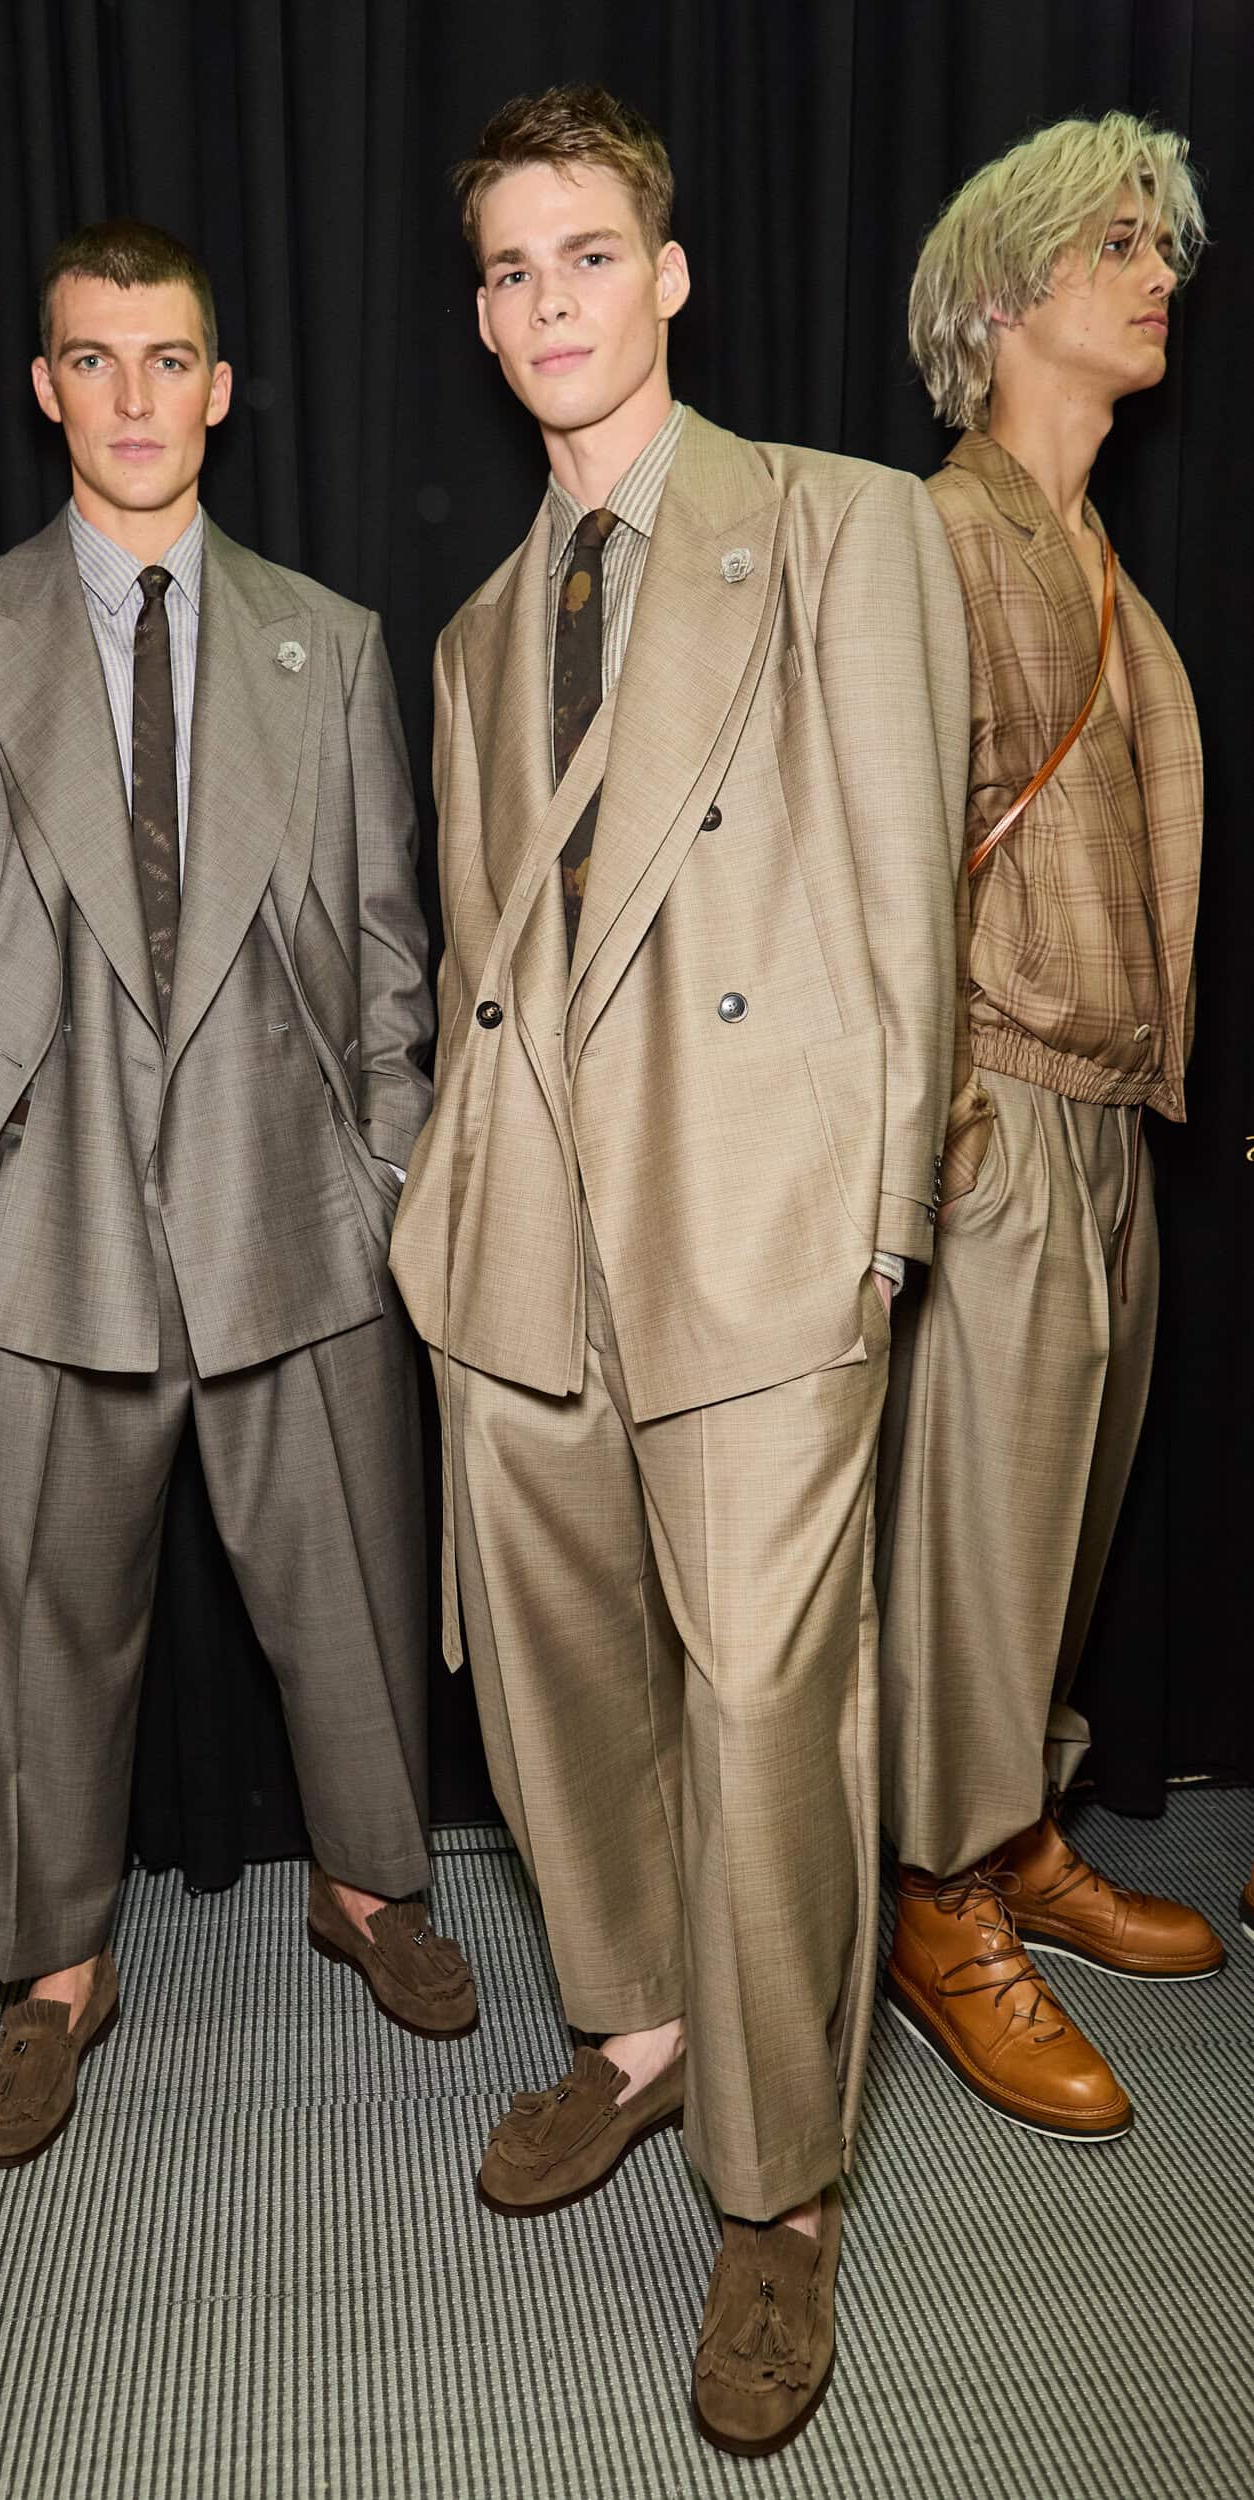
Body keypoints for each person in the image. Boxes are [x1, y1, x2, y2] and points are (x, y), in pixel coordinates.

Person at [388, 88, 967, 2457]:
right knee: (559, 1692)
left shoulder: (837, 524)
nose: (550, 302)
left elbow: (910, 898)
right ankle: (638, 2031)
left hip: (757, 1216)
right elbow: (480, 964)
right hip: (527, 1240)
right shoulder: (474, 635)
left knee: (763, 1720)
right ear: (483, 313)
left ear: (673, 273)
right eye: (511, 269)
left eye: (589, 254)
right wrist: (445, 1211)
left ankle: (780, 2185)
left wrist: (883, 1225)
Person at [0, 219, 475, 2170]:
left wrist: (389, 1175)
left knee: (352, 1587)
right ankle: (53, 1970)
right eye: (94, 358)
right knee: (34, 1619)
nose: (133, 396)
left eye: (169, 359)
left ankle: (368, 1886)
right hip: (37, 1233)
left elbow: (395, 951)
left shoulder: (331, 641)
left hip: (297, 1209)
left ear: (220, 387)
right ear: (45, 386)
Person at [878, 115, 1221, 2143]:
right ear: (1005, 293)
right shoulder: (940, 539)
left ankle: (1014, 1828)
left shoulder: (1093, 555)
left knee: (1064, 1522)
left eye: (1161, 243)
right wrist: (942, 1131)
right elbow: (892, 863)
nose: (1158, 272)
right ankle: (936, 1893)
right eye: (1115, 242)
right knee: (976, 1535)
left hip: (1107, 1114)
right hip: (999, 1102)